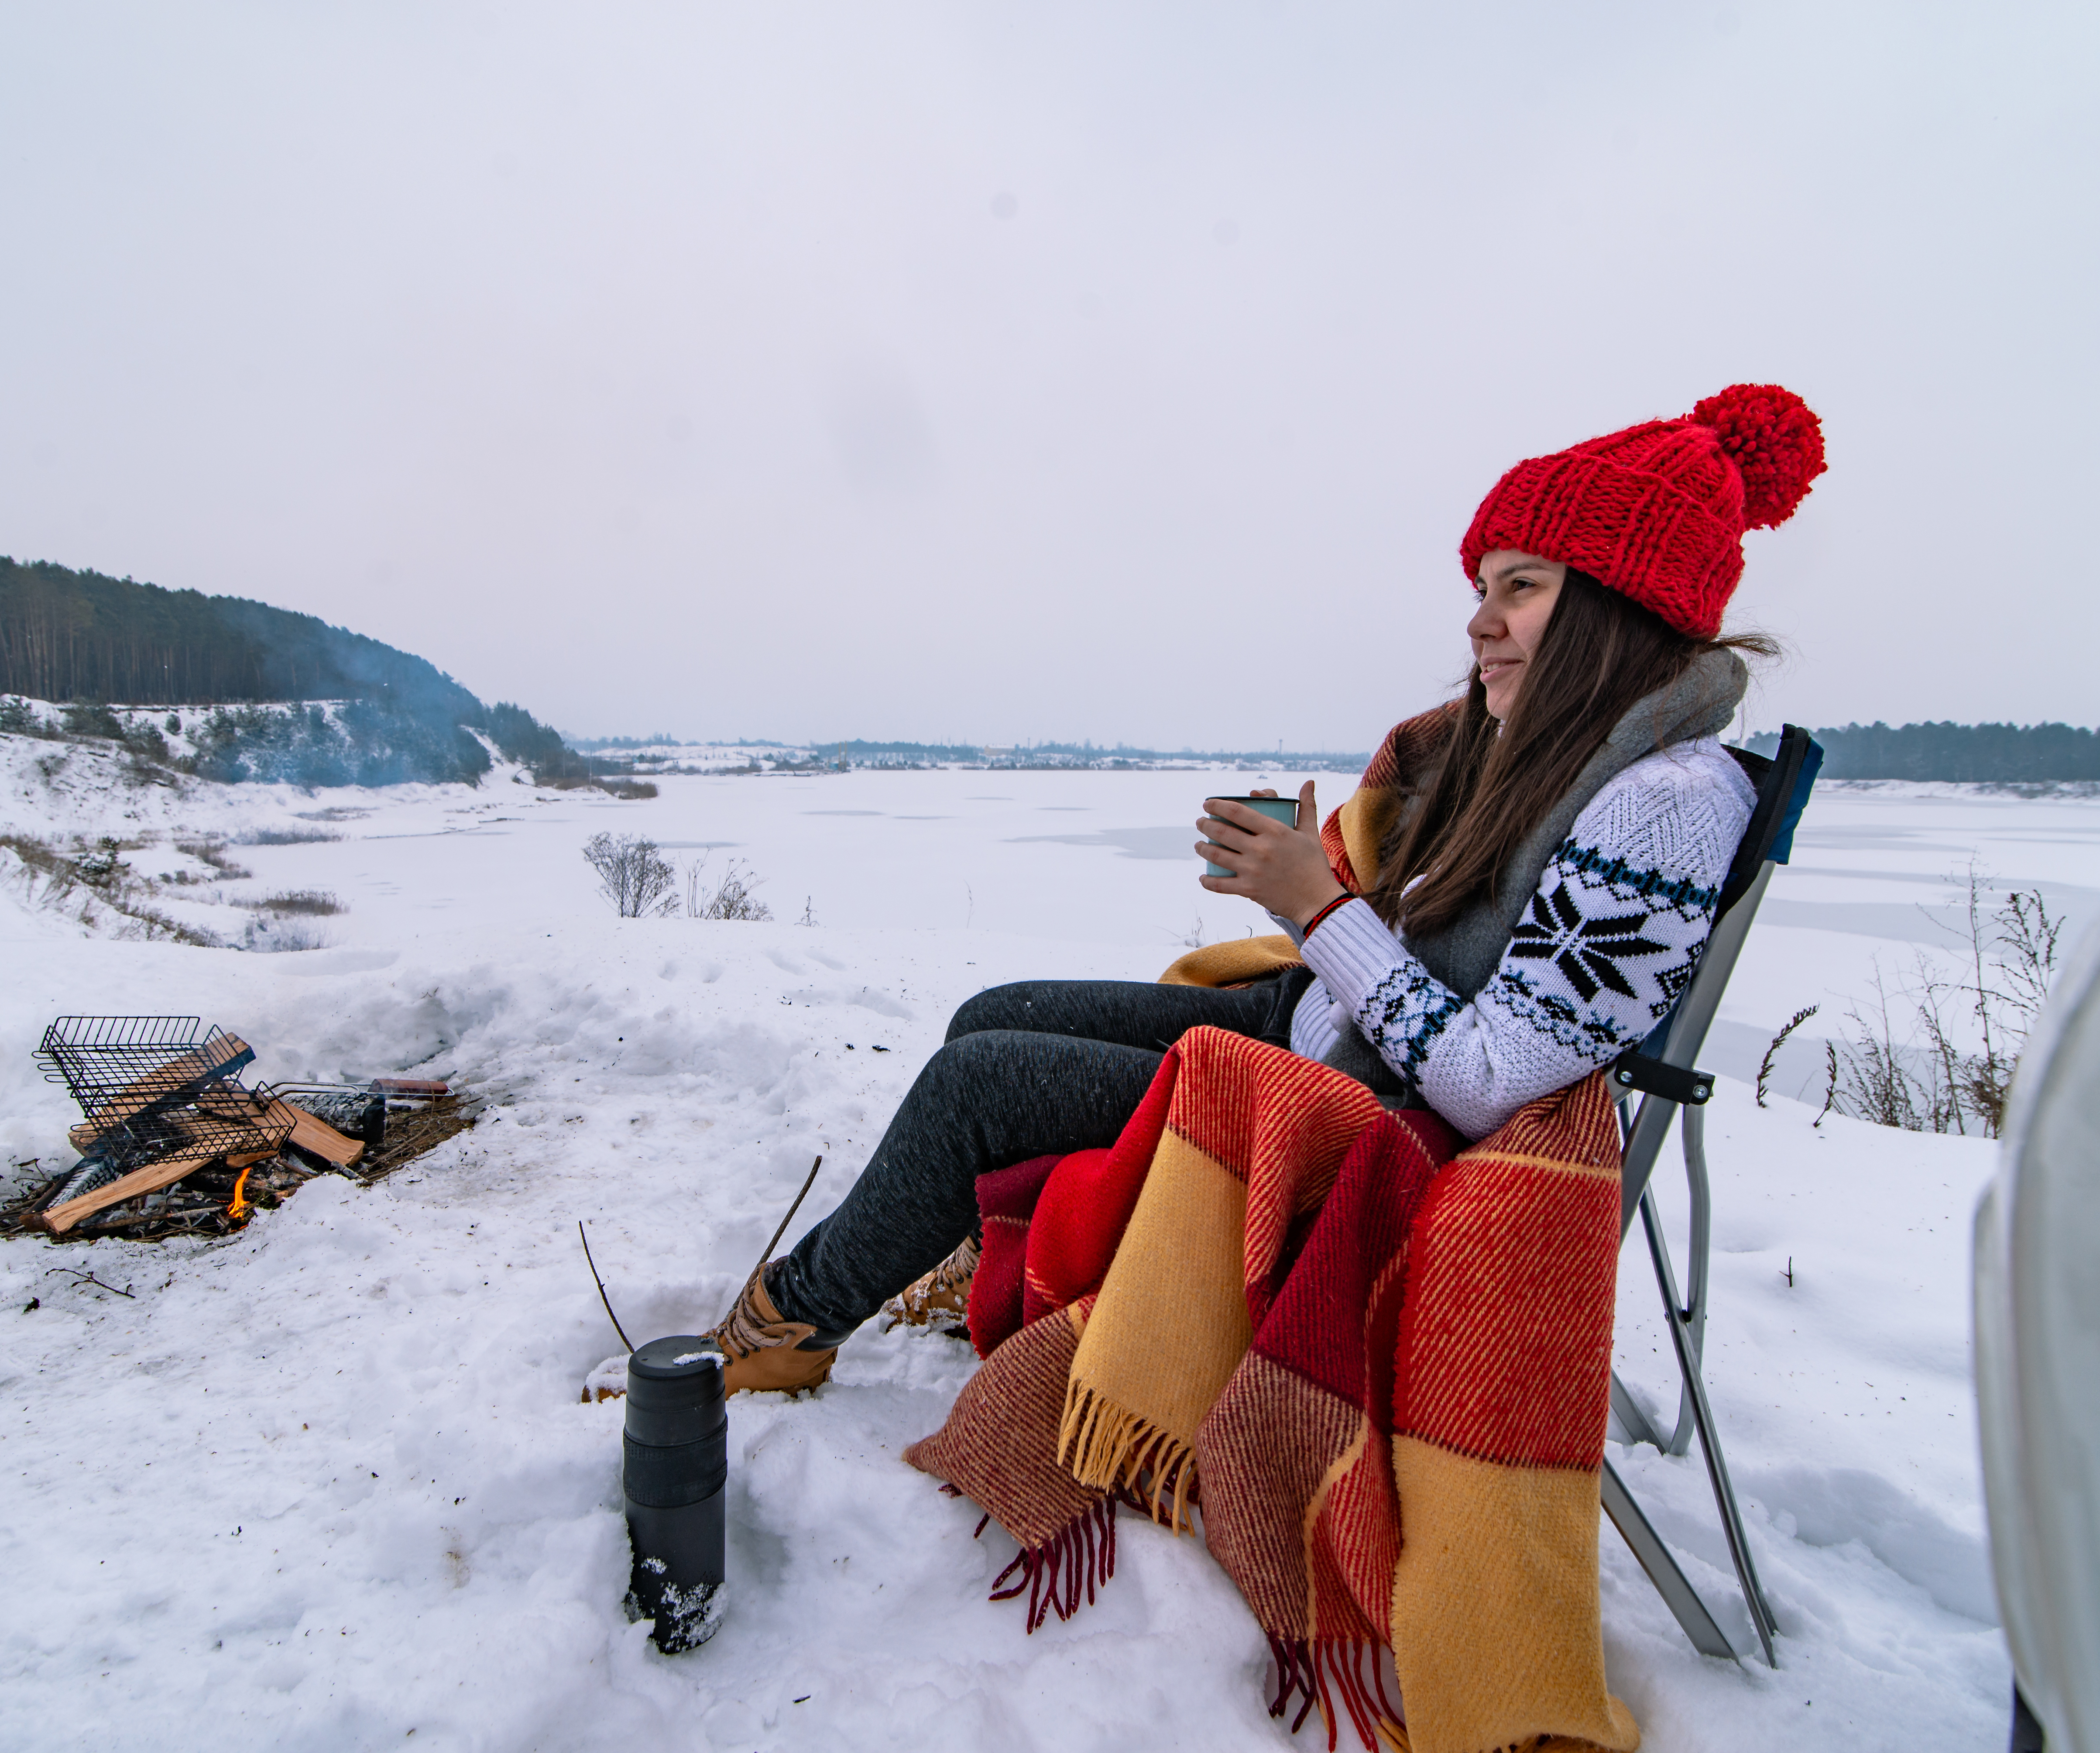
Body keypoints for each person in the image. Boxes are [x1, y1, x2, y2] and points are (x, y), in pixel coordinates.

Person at [706, 383, 1824, 1393]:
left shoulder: (1665, 801)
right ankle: (998, 1270)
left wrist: (1318, 910)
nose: (1478, 622)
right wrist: (1319, 887)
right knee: (996, 1017)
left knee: (977, 1084)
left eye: (1518, 588)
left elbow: (1489, 1079)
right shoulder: (1559, 748)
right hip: (1313, 1033)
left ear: (1616, 604)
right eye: (1482, 589)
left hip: (1358, 1122)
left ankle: (785, 1331)